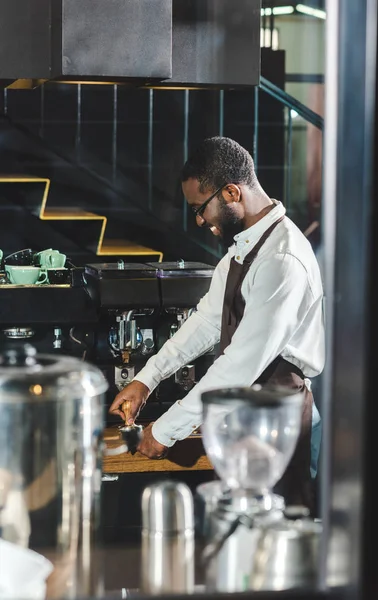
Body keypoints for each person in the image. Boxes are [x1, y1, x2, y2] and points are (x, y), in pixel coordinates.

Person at [109, 136, 325, 510]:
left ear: (231, 192)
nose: (197, 220)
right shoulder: (242, 251)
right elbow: (206, 323)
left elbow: (240, 364)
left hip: (281, 424)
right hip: (244, 419)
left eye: (199, 208)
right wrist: (147, 378)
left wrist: (165, 430)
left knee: (275, 544)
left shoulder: (283, 258)